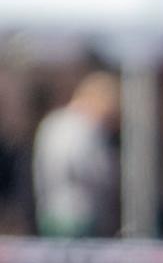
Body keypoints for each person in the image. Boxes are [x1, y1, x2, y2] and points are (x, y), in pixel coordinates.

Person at [32, 71, 121, 238]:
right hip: (80, 215)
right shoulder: (86, 127)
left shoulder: (51, 122)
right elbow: (93, 170)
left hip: (49, 210)